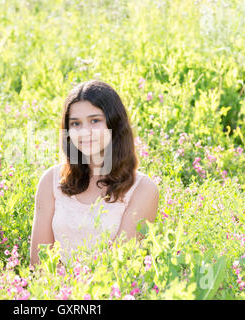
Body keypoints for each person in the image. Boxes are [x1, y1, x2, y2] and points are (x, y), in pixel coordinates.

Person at [29, 79, 159, 268]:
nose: (84, 132)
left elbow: (119, 268)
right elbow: (39, 264)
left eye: (95, 121)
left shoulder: (143, 189)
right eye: (75, 124)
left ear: (114, 124)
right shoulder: (51, 180)